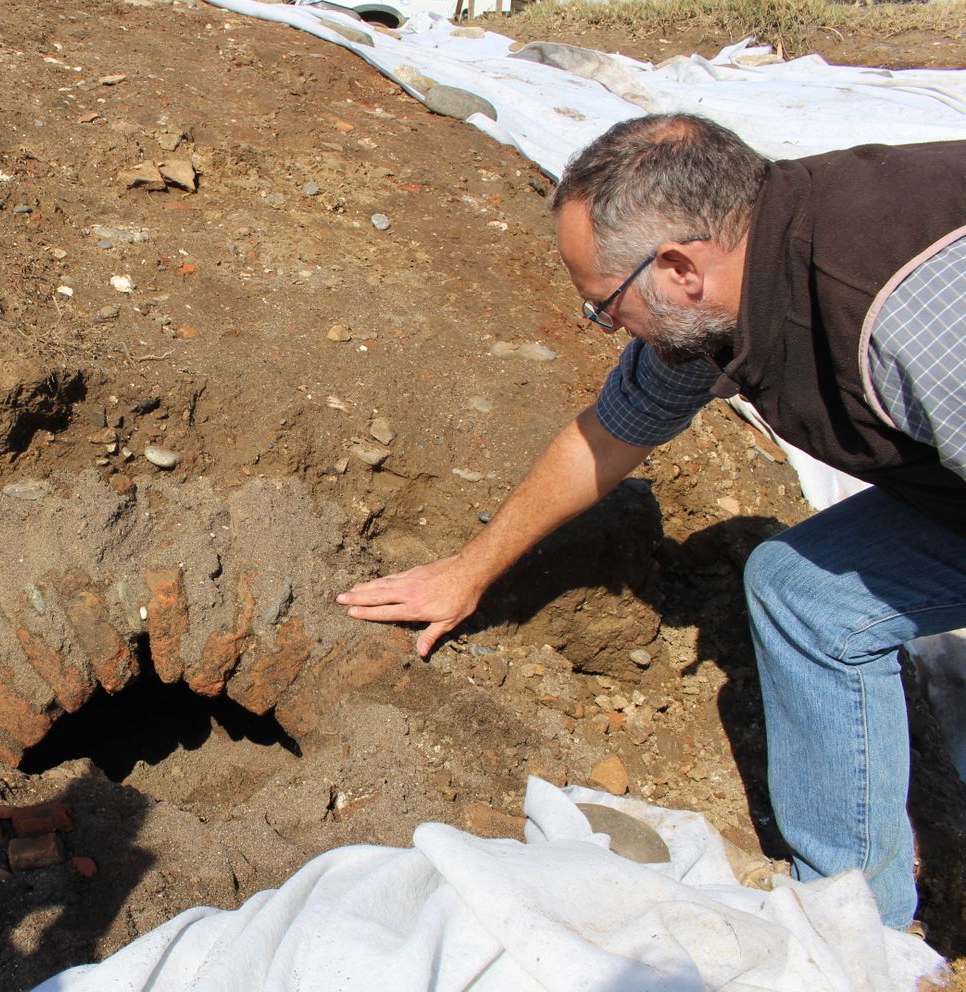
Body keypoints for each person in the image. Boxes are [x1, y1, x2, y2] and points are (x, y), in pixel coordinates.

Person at [337, 112, 966, 930]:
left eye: (604, 306)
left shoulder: (907, 314)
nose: (607, 326)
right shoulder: (734, 285)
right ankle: (852, 926)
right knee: (806, 595)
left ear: (677, 268)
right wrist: (470, 569)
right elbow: (612, 433)